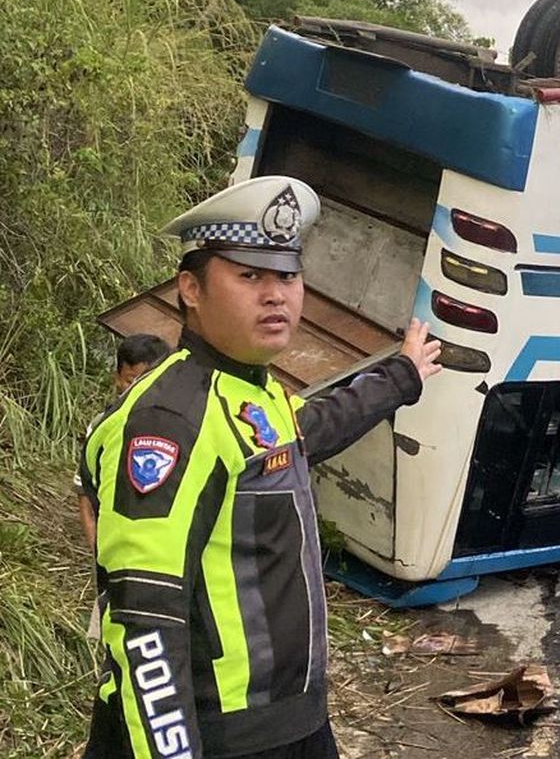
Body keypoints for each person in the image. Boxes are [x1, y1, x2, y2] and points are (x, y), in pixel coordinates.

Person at [79, 175, 442, 759]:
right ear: (191, 288)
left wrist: (402, 376)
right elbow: (145, 617)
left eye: (288, 276)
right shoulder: (170, 419)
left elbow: (316, 429)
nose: (276, 295)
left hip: (294, 722)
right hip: (221, 736)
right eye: (250, 276)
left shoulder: (256, 392)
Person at [76, 333, 173, 550]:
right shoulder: (102, 427)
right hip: (114, 548)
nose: (138, 389)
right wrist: (97, 551)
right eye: (131, 380)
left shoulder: (181, 428)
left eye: (148, 381)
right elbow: (85, 495)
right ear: (117, 378)